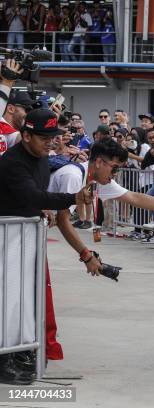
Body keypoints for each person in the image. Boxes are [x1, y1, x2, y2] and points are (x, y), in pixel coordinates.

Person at [0, 108, 93, 385]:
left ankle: (20, 351)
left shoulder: (40, 158)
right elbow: (31, 192)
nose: (50, 142)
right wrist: (72, 197)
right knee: (8, 301)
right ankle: (5, 358)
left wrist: (42, 208)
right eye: (44, 137)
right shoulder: (12, 162)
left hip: (23, 239)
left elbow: (34, 196)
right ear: (26, 135)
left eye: (53, 137)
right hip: (6, 241)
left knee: (24, 300)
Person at [1, 89, 36, 156]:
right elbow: (35, 148)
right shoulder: (6, 130)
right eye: (27, 110)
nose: (29, 114)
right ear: (11, 109)